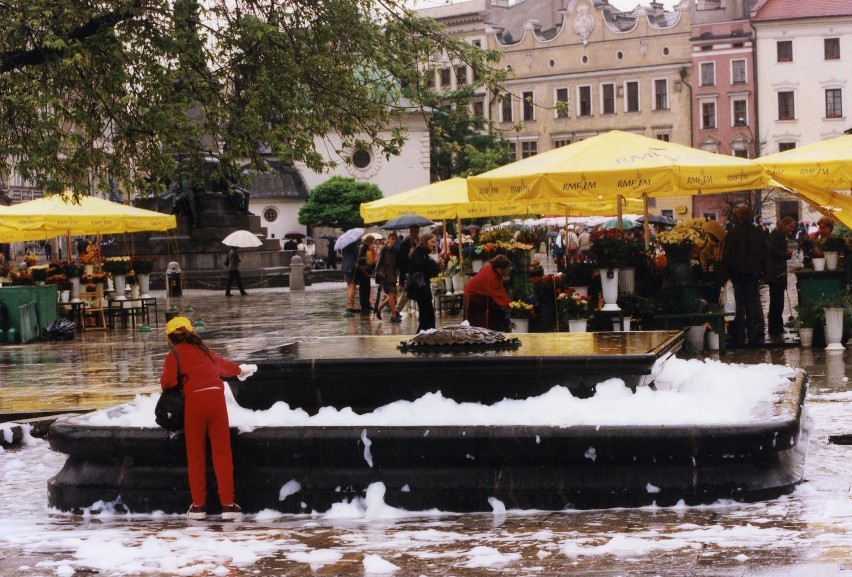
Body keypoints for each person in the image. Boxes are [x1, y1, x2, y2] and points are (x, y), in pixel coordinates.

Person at [159, 316, 255, 520]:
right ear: (192, 333)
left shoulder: (173, 355)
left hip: (194, 403)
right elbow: (226, 366)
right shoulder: (205, 351)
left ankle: (198, 507)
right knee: (222, 452)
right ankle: (228, 506)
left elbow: (167, 382)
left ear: (169, 339)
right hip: (216, 400)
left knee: (196, 455)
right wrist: (241, 370)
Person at [723, 205, 767, 347]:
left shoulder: (732, 233)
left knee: (739, 305)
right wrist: (762, 272)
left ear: (738, 216)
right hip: (753, 274)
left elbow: (727, 257)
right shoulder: (757, 233)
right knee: (752, 305)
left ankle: (740, 336)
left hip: (737, 275)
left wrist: (728, 274)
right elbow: (763, 255)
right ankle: (753, 337)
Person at [766, 216, 796, 340]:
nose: (792, 229)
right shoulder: (777, 234)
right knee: (777, 301)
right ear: (784, 225)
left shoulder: (779, 234)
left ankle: (777, 326)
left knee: (777, 300)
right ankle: (775, 328)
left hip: (777, 272)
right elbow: (773, 251)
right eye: (790, 226)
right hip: (776, 273)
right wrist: (786, 254)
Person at [464, 254, 511, 330]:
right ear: (499, 268)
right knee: (478, 326)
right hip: (474, 297)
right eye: (504, 269)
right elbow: (501, 298)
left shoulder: (490, 266)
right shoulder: (492, 278)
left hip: (475, 292)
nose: (505, 271)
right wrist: (514, 306)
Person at [407, 232, 443, 333]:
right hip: (420, 288)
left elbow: (429, 272)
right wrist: (434, 263)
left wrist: (438, 266)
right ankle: (424, 334)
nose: (434, 244)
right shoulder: (419, 251)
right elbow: (421, 266)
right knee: (427, 314)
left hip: (423, 287)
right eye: (432, 241)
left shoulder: (424, 253)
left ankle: (425, 334)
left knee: (427, 314)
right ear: (425, 242)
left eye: (435, 242)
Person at [373, 232, 400, 322]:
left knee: (393, 295)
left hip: (393, 275)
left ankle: (379, 307)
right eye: (392, 239)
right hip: (385, 276)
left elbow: (397, 263)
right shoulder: (384, 250)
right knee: (392, 294)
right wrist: (381, 274)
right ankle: (393, 315)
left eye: (395, 239)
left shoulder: (395, 251)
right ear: (388, 239)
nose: (394, 241)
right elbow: (378, 265)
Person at [395, 225, 420, 316]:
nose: (415, 234)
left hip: (419, 272)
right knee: (407, 292)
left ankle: (421, 312)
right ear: (410, 232)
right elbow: (401, 260)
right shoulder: (405, 244)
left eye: (417, 232)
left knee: (421, 291)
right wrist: (409, 254)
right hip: (409, 272)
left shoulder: (420, 243)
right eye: (413, 232)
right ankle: (397, 310)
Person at [355, 235, 376, 315]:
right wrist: (366, 268)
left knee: (367, 288)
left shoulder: (366, 247)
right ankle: (364, 305)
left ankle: (367, 304)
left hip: (366, 270)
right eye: (372, 241)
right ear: (369, 240)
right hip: (362, 271)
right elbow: (361, 259)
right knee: (363, 289)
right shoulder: (363, 247)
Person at [341, 240, 359, 312]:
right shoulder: (354, 243)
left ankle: (349, 303)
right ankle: (351, 305)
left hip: (345, 265)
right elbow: (357, 254)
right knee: (353, 285)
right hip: (352, 266)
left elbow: (342, 253)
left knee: (349, 285)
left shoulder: (344, 243)